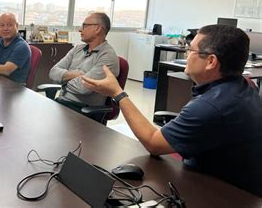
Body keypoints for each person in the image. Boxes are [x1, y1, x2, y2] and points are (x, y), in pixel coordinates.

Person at [82, 25, 262, 197]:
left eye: (190, 50)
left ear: (211, 61)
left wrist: (118, 93)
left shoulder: (212, 106)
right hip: (238, 185)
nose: (186, 54)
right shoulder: (243, 87)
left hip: (220, 194)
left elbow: (154, 143)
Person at [48, 12, 119, 117]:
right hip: (62, 102)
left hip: (83, 110)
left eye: (84, 26)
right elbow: (53, 72)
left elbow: (83, 88)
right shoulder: (77, 49)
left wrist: (63, 81)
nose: (80, 29)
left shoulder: (108, 56)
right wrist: (76, 75)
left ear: (98, 29)